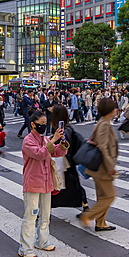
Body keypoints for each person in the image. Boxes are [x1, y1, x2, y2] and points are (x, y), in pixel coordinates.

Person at [19, 110, 68, 257]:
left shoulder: (44, 139)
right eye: (41, 124)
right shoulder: (28, 140)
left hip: (46, 183)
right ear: (33, 124)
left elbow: (56, 153)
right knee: (31, 216)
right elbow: (40, 154)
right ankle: (25, 248)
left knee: (45, 215)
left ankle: (42, 241)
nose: (44, 127)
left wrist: (63, 144)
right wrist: (53, 140)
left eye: (46, 124)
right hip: (33, 182)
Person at [79, 97, 118, 232]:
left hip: (99, 167)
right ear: (110, 110)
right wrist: (110, 167)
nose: (116, 110)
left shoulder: (103, 122)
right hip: (102, 167)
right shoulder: (104, 125)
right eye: (114, 108)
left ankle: (100, 222)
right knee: (110, 196)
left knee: (103, 196)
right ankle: (88, 216)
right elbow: (103, 147)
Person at [50, 105, 88, 212]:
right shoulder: (68, 129)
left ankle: (45, 212)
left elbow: (60, 148)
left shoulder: (62, 131)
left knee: (54, 188)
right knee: (74, 187)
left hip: (63, 164)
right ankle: (85, 207)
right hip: (69, 164)